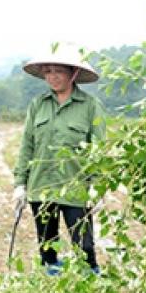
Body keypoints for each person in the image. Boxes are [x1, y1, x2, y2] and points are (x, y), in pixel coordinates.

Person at [12, 45, 106, 275]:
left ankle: (90, 280)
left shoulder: (91, 106)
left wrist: (98, 186)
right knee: (47, 244)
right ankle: (52, 278)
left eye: (58, 71)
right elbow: (27, 145)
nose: (52, 77)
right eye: (48, 71)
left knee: (84, 245)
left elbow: (99, 149)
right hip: (41, 186)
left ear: (73, 74)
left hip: (75, 188)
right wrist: (20, 184)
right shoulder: (38, 105)